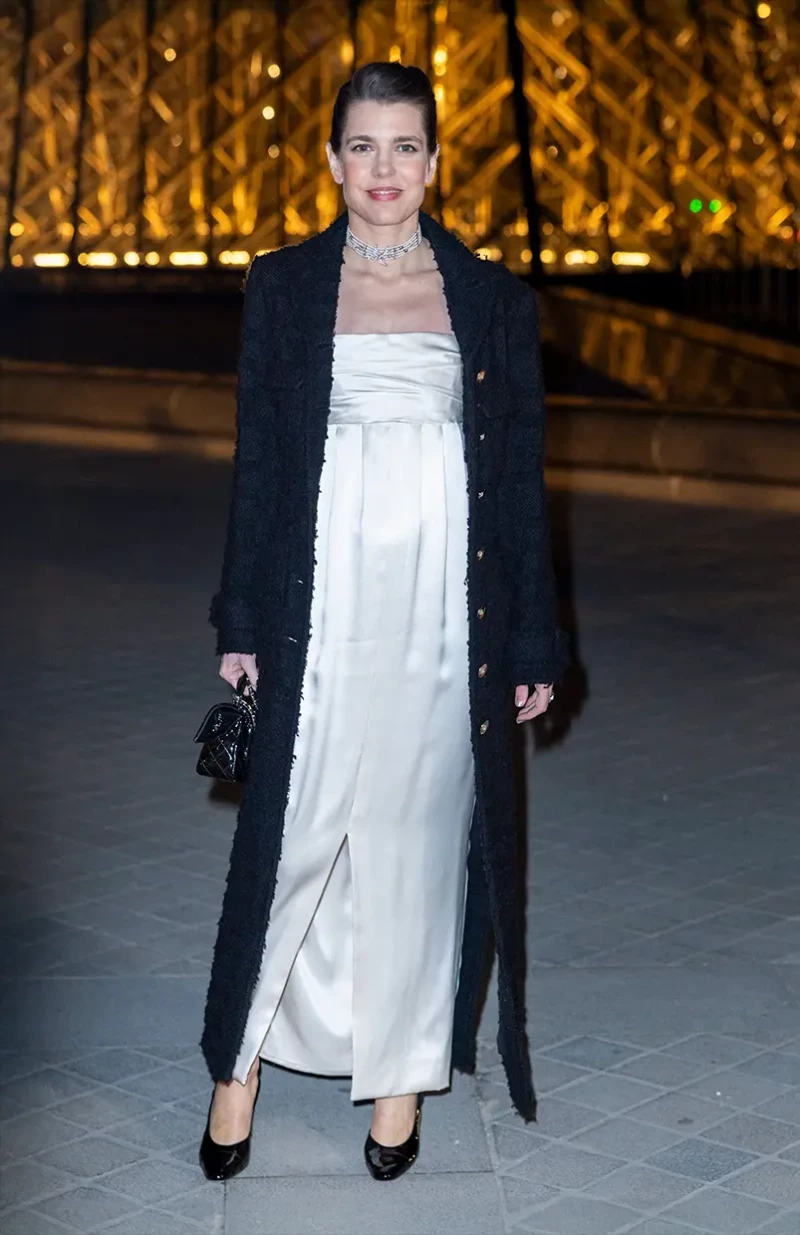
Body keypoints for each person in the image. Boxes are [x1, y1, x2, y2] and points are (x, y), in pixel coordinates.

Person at [199, 60, 568, 1184]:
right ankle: (239, 1061)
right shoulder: (286, 286)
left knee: (414, 838)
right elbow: (257, 465)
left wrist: (537, 643)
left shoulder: (492, 298)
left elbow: (518, 488)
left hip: (445, 614)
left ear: (435, 163)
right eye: (361, 146)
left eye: (404, 146)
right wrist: (243, 611)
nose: (383, 170)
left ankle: (401, 1069)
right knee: (295, 824)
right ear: (330, 160)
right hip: (322, 599)